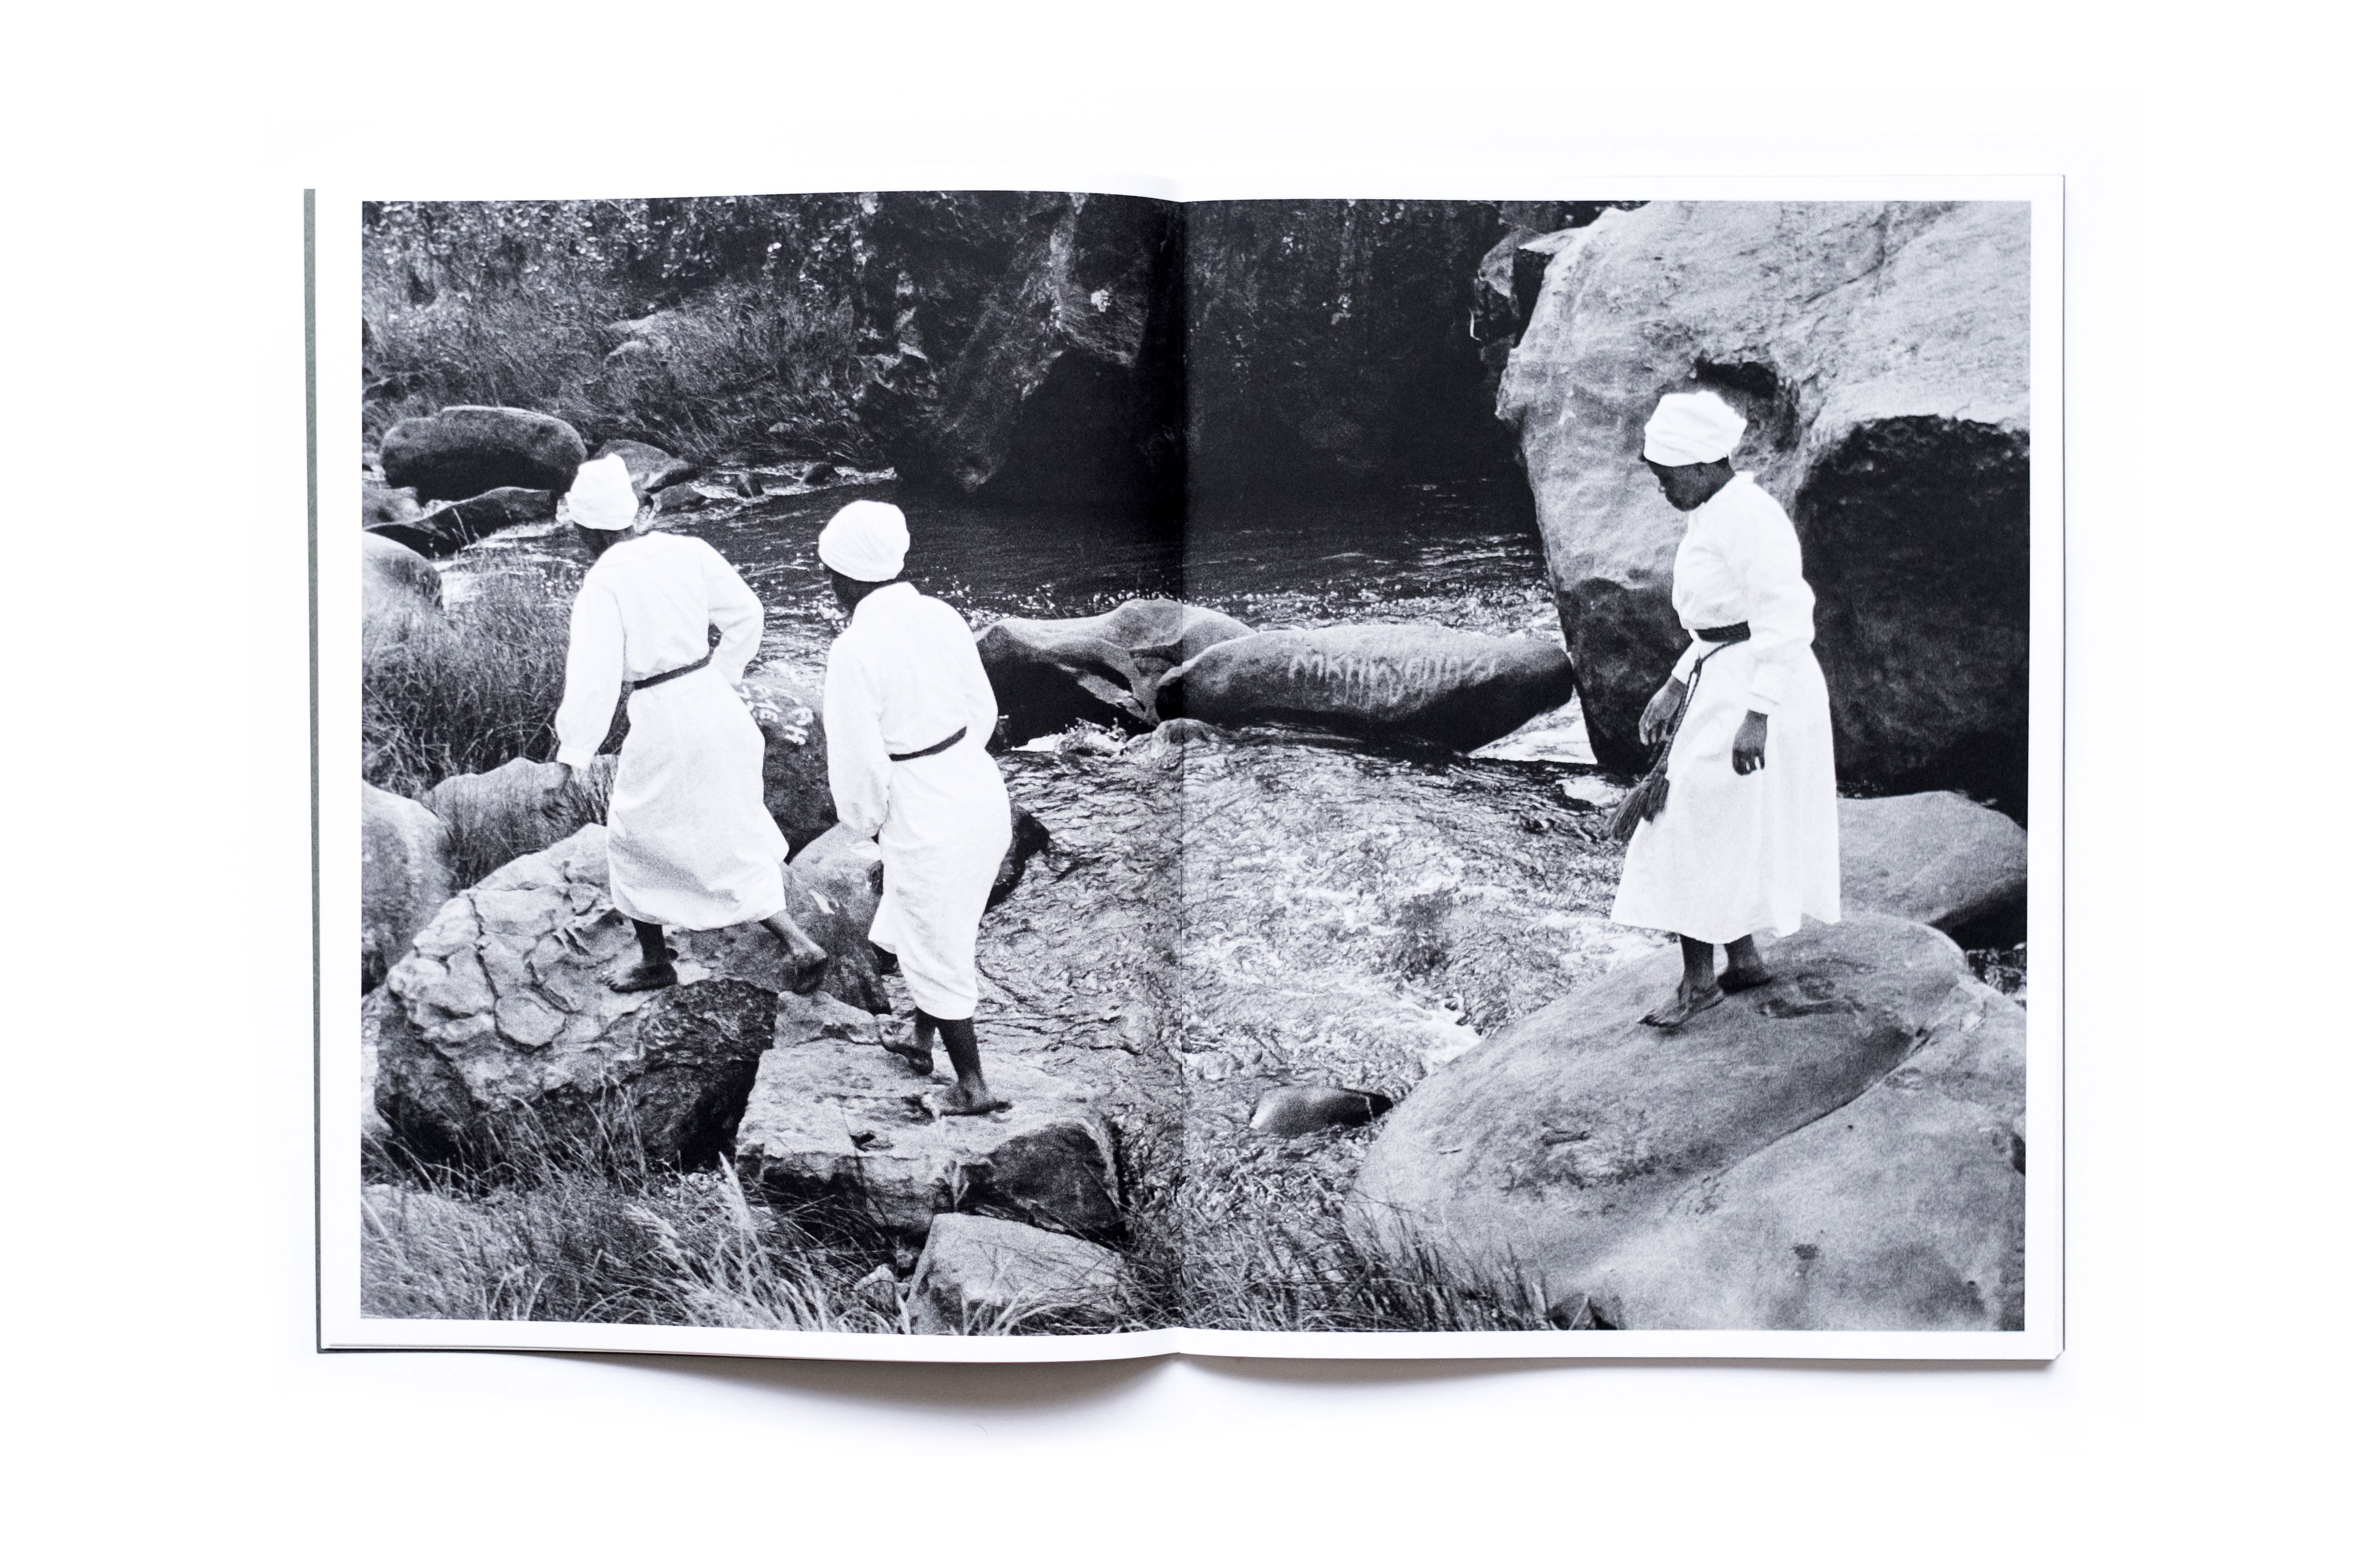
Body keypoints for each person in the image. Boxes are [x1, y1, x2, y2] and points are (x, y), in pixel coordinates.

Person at [542, 454, 829, 993]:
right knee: (732, 830)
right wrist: (724, 674)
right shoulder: (688, 549)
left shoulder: (603, 583)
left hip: (664, 715)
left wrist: (569, 759)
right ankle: (798, 942)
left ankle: (655, 961)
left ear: (587, 530)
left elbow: (593, 681)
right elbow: (747, 615)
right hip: (716, 702)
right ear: (630, 512)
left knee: (632, 837)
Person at [1609, 390, 1840, 1027]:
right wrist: (1675, 681)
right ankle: (1741, 959)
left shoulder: (1750, 516)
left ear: (1701, 464)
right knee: (1717, 821)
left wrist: (1757, 714)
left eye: (1666, 477)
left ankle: (1697, 983)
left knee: (1687, 821)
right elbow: (1717, 621)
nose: (1661, 488)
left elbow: (1784, 618)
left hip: (1762, 683)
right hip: (1724, 674)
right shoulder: (1712, 511)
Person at [818, 499, 1015, 1115]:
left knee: (934, 940)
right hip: (977, 786)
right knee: (925, 914)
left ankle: (972, 1086)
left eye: (829, 574)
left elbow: (859, 762)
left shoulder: (853, 649)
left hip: (924, 801)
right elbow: (982, 709)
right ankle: (918, 1035)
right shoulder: (940, 614)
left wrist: (868, 823)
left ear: (844, 578)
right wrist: (950, 759)